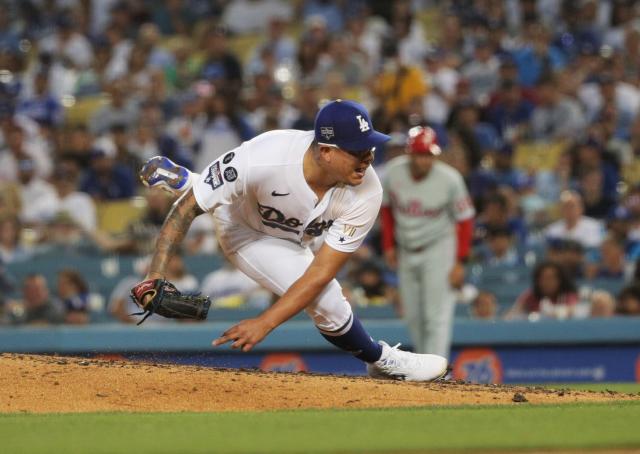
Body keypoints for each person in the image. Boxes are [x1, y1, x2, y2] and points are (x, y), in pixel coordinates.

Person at [134, 99, 448, 381]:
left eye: (370, 148)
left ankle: (195, 180)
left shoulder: (368, 190)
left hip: (303, 233)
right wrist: (155, 275)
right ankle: (379, 359)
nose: (367, 158)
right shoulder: (265, 156)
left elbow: (321, 270)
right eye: (357, 150)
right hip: (250, 232)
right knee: (329, 304)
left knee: (317, 281)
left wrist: (266, 322)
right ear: (326, 151)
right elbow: (187, 208)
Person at [380, 126, 475, 358]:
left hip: (439, 248)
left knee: (436, 317)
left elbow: (465, 220)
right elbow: (387, 210)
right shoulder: (393, 173)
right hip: (406, 248)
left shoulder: (450, 179)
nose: (424, 160)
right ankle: (425, 367)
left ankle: (438, 372)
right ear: (409, 153)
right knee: (413, 316)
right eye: (420, 154)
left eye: (428, 155)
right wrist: (389, 246)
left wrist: (460, 261)